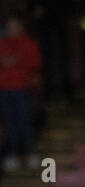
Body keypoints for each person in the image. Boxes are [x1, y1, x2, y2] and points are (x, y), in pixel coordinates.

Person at [0, 16, 42, 172]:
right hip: (5, 88)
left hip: (22, 88)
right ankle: (12, 155)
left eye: (14, 26)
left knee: (24, 122)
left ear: (21, 27)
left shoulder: (28, 44)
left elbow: (35, 63)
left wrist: (15, 61)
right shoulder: (2, 44)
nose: (12, 29)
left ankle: (30, 153)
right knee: (9, 123)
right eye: (9, 26)